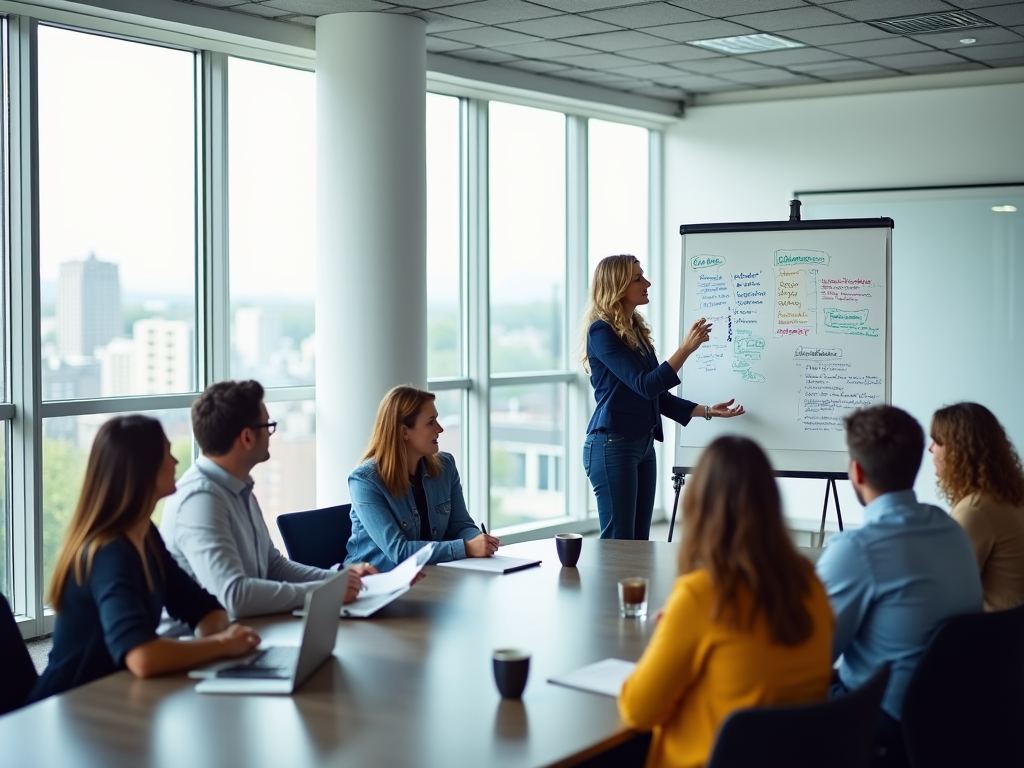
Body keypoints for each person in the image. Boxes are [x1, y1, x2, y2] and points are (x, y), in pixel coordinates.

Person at [619, 436, 833, 768]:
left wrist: (668, 633)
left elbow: (637, 711)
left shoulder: (699, 595)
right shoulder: (810, 582)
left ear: (698, 506)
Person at [29, 416, 261, 703]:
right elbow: (142, 657)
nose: (175, 461)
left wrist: (211, 643)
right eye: (166, 452)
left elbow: (204, 608)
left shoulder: (144, 533)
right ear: (142, 468)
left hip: (116, 696)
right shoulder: (109, 553)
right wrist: (222, 645)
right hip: (72, 707)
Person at [816, 404, 982, 766]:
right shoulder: (950, 529)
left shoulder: (856, 549)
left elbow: (807, 658)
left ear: (856, 471)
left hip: (885, 724)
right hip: (955, 717)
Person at [161, 380, 373, 619]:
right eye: (268, 426)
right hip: (200, 647)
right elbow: (235, 597)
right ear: (247, 437)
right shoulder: (200, 501)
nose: (272, 434)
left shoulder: (239, 487)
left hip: (249, 631)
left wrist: (340, 578)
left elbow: (273, 566)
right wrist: (326, 591)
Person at [581, 254, 744, 540]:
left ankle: (633, 588)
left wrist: (707, 410)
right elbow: (645, 384)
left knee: (639, 543)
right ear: (617, 286)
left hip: (643, 446)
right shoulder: (601, 332)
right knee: (619, 544)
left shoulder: (635, 331)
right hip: (611, 445)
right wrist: (686, 349)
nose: (648, 282)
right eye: (638, 278)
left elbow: (656, 396)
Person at [346, 385, 499, 571]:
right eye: (431, 422)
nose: (440, 429)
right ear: (404, 432)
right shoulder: (365, 481)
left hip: (428, 575)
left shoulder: (446, 465)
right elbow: (399, 551)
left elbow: (461, 525)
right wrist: (466, 548)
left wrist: (480, 542)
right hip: (373, 583)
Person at [930, 402, 1024, 611]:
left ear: (958, 450)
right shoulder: (1011, 495)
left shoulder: (975, 510)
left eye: (937, 441)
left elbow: (947, 591)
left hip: (992, 634)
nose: (931, 449)